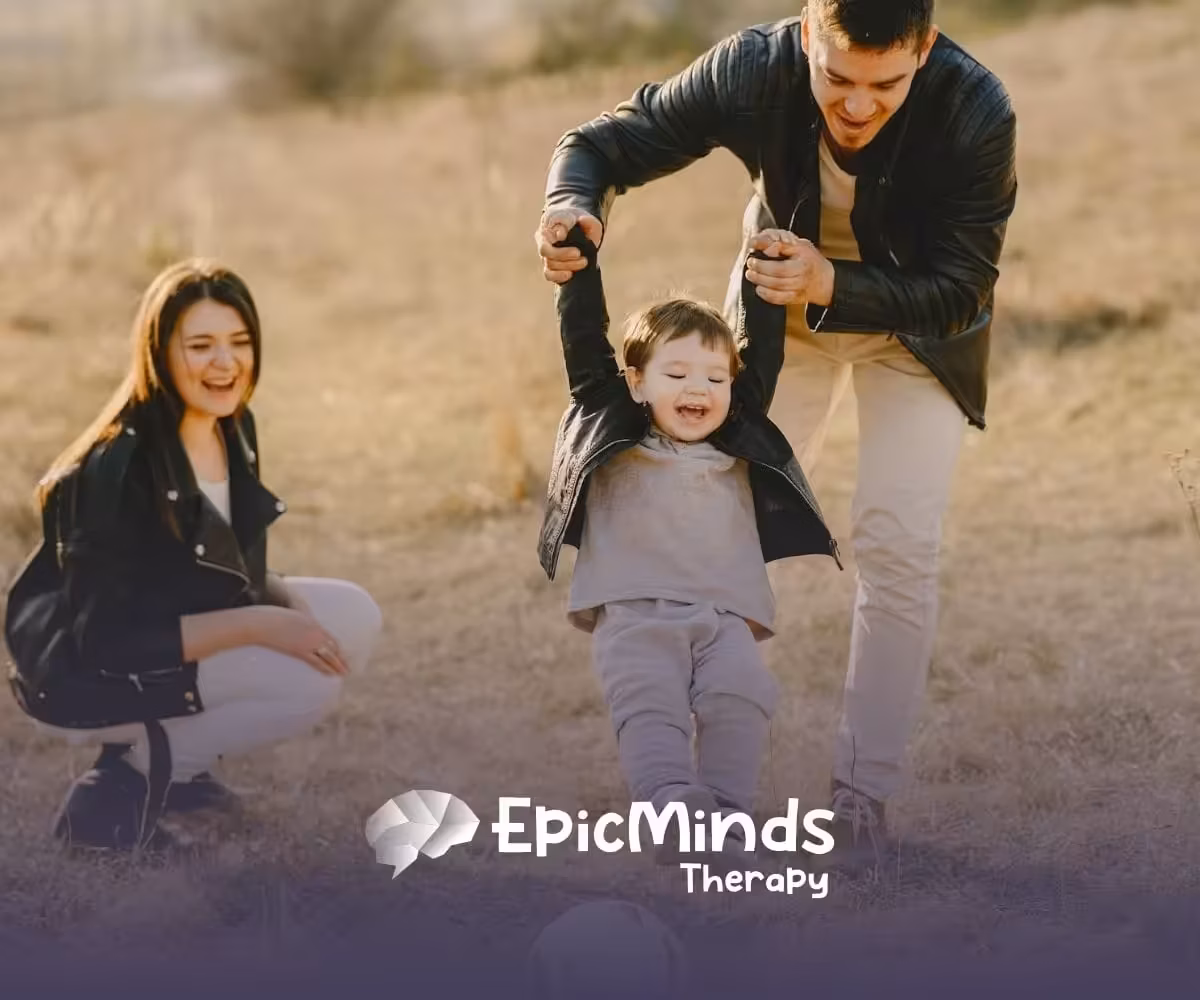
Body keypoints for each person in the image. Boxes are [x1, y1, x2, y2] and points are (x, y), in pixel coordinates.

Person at [535, 0, 1017, 868]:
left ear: (927, 49)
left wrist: (833, 277)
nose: (860, 106)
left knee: (897, 542)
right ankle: (683, 785)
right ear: (805, 35)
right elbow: (601, 143)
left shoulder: (978, 109)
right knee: (714, 518)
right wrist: (570, 206)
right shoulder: (752, 69)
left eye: (888, 83)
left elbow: (964, 289)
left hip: (919, 338)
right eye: (837, 78)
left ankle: (863, 796)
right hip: (772, 330)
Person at [5, 259, 382, 851]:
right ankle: (118, 790)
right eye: (201, 345)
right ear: (160, 354)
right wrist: (264, 623)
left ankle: (178, 764)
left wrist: (282, 603)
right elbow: (107, 638)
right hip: (83, 673)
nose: (225, 363)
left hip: (156, 639)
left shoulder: (232, 426)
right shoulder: (117, 468)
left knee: (353, 615)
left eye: (239, 342)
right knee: (306, 686)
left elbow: (220, 568)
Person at [538, 224, 838, 860]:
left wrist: (767, 262)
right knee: (650, 708)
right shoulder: (614, 424)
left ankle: (726, 815)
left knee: (743, 697)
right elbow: (584, 343)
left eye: (714, 378)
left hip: (723, 615)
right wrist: (578, 266)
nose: (698, 390)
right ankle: (669, 803)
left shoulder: (738, 436)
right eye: (676, 373)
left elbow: (764, 350)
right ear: (637, 382)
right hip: (635, 614)